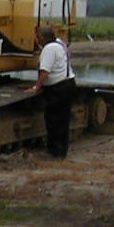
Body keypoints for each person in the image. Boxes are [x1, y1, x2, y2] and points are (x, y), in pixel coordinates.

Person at [28, 24, 77, 157]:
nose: (36, 40)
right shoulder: (59, 43)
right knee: (62, 120)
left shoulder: (49, 49)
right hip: (67, 83)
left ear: (42, 38)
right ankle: (60, 151)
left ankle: (55, 152)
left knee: (54, 120)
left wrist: (36, 87)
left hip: (58, 88)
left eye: (37, 37)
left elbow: (45, 71)